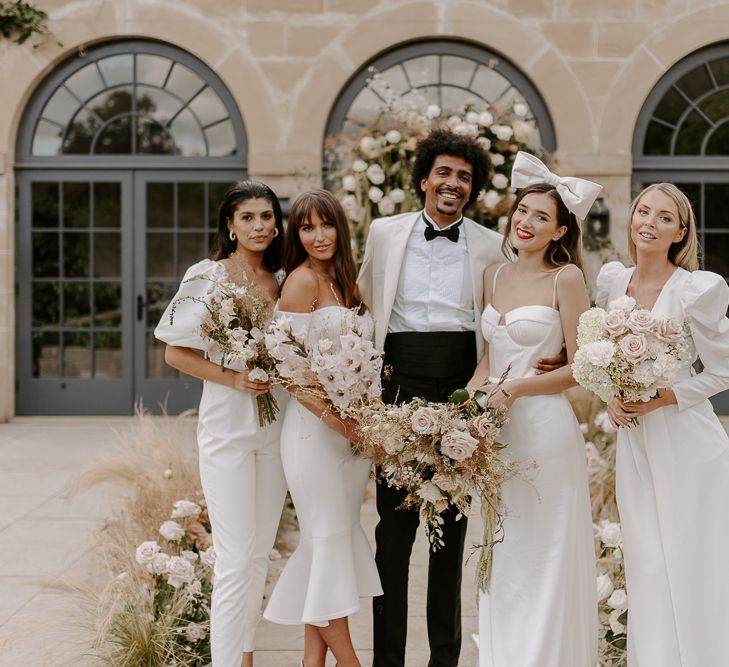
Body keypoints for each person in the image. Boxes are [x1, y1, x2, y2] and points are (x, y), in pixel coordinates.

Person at [357, 130, 565, 667]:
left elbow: (530, 298)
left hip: (462, 384)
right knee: (393, 532)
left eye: (464, 177)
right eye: (444, 173)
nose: (453, 184)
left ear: (472, 190)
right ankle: (388, 659)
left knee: (449, 530)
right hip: (396, 383)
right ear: (424, 178)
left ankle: (444, 658)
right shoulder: (383, 233)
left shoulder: (492, 243)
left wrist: (554, 356)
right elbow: (361, 303)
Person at [467, 151, 600, 666]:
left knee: (545, 551)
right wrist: (465, 409)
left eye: (541, 217)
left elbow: (585, 367)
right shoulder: (492, 277)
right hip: (497, 436)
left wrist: (518, 389)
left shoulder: (566, 279)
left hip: (544, 432)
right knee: (506, 553)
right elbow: (486, 362)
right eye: (522, 211)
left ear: (560, 230)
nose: (526, 222)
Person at [154, 181, 287, 667]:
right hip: (227, 429)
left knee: (257, 555)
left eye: (267, 216)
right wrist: (234, 377)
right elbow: (175, 351)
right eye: (248, 217)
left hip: (276, 430)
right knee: (234, 558)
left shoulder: (285, 278)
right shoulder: (207, 275)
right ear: (229, 225)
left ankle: (244, 654)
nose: (260, 226)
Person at [598, 183, 729, 666]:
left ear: (680, 232)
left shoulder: (697, 289)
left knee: (693, 562)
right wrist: (611, 396)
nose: (649, 222)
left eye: (665, 217)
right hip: (635, 442)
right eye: (643, 211)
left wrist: (663, 397)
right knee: (648, 563)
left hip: (689, 443)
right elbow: (604, 362)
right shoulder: (613, 282)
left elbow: (723, 371)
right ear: (631, 218)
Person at [263, 189, 382, 667]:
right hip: (315, 434)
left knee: (325, 546)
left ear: (340, 228)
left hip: (350, 438)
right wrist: (342, 422)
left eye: (326, 225)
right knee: (328, 539)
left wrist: (363, 421)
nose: (318, 236)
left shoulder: (346, 283)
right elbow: (288, 371)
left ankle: (312, 663)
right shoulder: (301, 282)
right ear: (297, 235)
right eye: (307, 227)